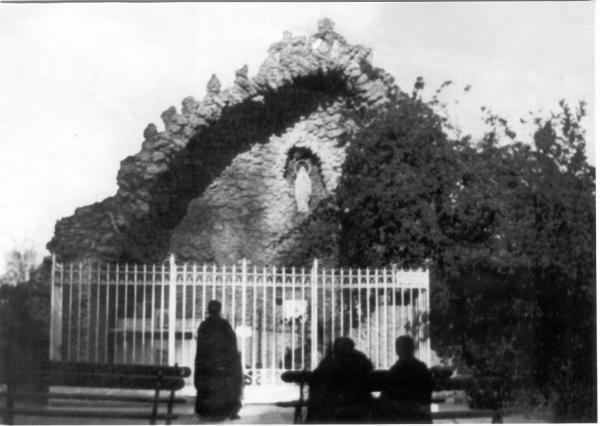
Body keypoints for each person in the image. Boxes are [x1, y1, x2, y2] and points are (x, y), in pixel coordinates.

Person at [306, 337, 374, 423]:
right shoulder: (361, 359)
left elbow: (316, 376)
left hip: (337, 401)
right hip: (361, 400)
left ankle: (310, 420)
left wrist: (328, 356)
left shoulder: (332, 361)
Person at [194, 300, 243, 419]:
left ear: (208, 310)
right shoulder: (225, 325)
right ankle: (230, 409)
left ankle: (207, 410)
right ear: (220, 311)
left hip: (207, 368)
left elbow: (200, 349)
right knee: (236, 372)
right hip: (224, 367)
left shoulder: (204, 326)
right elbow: (232, 347)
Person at [379, 335, 433, 423]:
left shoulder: (396, 370)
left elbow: (386, 394)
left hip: (400, 413)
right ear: (412, 349)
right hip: (419, 411)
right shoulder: (421, 367)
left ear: (397, 351)